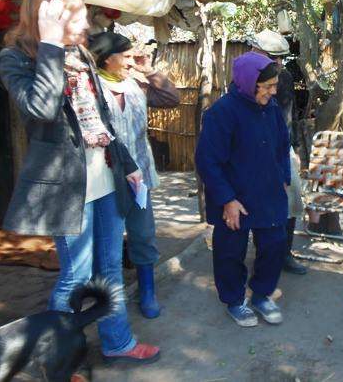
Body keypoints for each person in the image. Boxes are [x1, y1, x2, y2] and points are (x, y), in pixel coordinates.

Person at [0, 0, 159, 363]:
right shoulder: (14, 60)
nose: (85, 25)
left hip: (106, 177)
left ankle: (118, 342)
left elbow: (101, 118)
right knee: (76, 276)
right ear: (48, 16)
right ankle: (57, 359)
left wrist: (129, 165)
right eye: (76, 16)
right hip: (67, 188)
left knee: (110, 268)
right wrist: (49, 44)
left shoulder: (80, 53)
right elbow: (42, 109)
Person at [88, 32, 180, 319]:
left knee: (143, 233)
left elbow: (171, 98)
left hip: (139, 176)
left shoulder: (135, 85)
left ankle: (147, 291)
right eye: (126, 56)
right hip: (105, 178)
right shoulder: (91, 87)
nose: (131, 61)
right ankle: (105, 298)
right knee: (107, 241)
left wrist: (149, 70)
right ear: (107, 58)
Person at [195, 51, 291, 327]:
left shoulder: (270, 108)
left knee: (274, 245)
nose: (273, 92)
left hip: (269, 191)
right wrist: (227, 200)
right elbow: (207, 161)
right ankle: (235, 300)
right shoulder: (222, 112)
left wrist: (284, 177)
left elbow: (283, 146)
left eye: (275, 86)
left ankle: (261, 294)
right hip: (234, 196)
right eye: (267, 86)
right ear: (250, 83)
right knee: (230, 251)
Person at [250, 29, 307, 275]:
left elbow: (289, 115)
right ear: (256, 52)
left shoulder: (284, 77)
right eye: (274, 57)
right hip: (254, 152)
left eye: (282, 57)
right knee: (260, 204)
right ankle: (264, 256)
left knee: (291, 198)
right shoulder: (244, 79)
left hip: (283, 150)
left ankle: (285, 253)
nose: (280, 63)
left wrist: (295, 149)